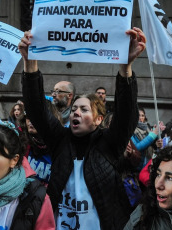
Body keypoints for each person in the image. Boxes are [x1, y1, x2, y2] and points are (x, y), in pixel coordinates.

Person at [19, 27, 146, 229]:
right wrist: (30, 62)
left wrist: (126, 67)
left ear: (98, 120)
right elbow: (36, 110)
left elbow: (127, 114)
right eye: (75, 108)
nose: (76, 112)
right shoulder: (59, 140)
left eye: (84, 110)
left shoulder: (109, 144)